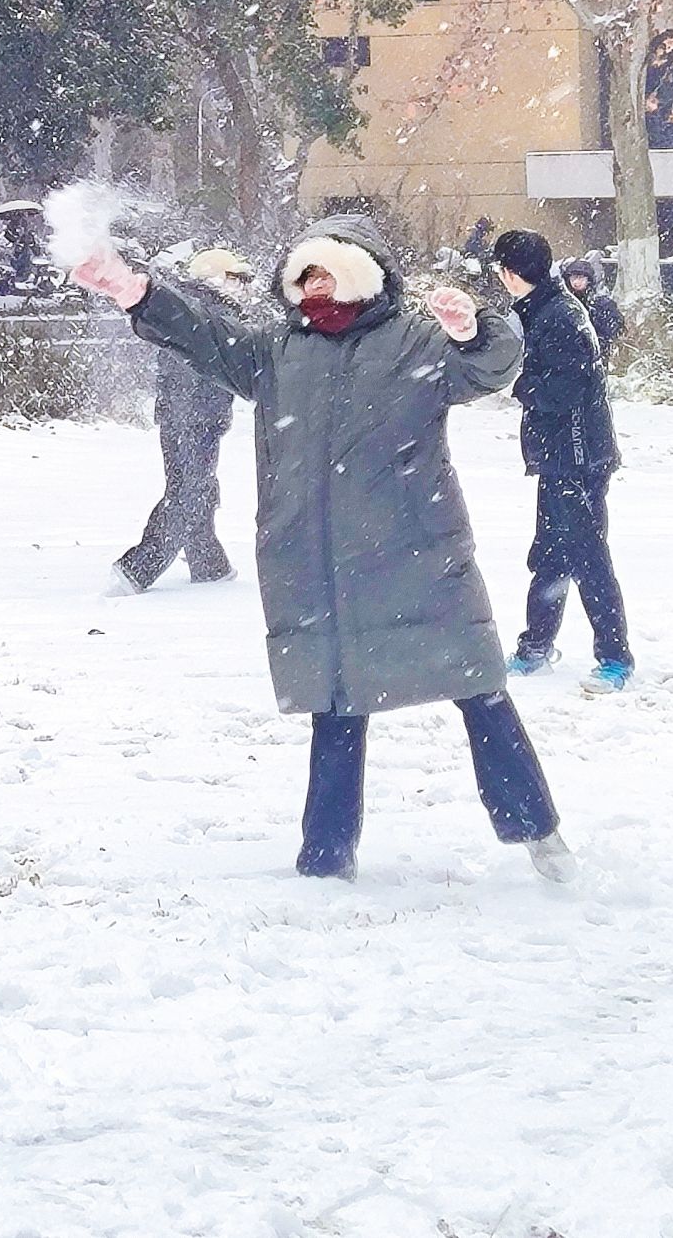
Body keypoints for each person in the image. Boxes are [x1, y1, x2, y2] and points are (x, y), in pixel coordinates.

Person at [75, 214, 574, 884]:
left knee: (480, 690)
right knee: (336, 706)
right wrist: (139, 292)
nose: (312, 286)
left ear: (362, 274)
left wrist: (473, 328)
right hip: (318, 566)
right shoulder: (280, 350)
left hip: (418, 558)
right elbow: (205, 337)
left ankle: (539, 835)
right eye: (303, 274)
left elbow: (490, 366)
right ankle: (326, 857)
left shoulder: (413, 341)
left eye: (326, 272)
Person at [492, 228, 631, 693]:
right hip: (559, 459)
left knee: (588, 557)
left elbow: (565, 390)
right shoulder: (541, 310)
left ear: (512, 274)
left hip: (579, 459)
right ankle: (536, 646)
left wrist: (520, 383)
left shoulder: (559, 316)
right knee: (550, 555)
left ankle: (615, 658)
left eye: (501, 270)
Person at [113, 245, 246, 592]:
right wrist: (198, 412)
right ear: (216, 278)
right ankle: (139, 567)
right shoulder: (214, 313)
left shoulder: (188, 309)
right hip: (196, 415)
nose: (242, 286)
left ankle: (209, 563)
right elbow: (201, 367)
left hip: (179, 414)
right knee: (192, 491)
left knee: (190, 486)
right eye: (236, 278)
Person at [559, 252, 625, 357]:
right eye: (573, 278)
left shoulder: (601, 304)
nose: (576, 282)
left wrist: (601, 342)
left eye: (580, 278)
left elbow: (615, 327)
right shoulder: (564, 303)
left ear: (588, 279)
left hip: (597, 354)